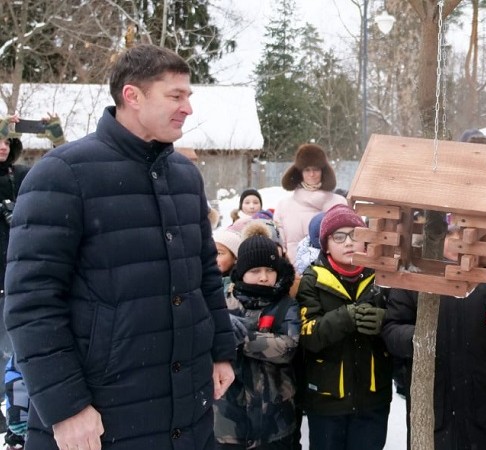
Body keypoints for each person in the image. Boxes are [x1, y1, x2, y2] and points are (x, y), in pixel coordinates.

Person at [4, 44, 235, 450]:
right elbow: (31, 302)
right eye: (176, 96)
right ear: (133, 96)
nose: (188, 108)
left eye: (189, 96)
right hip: (100, 412)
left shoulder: (184, 176)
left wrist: (220, 350)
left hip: (186, 408)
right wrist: (66, 407)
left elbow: (204, 275)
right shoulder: (61, 174)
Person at [383, 258, 486, 449]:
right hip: (432, 402)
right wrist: (417, 337)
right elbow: (392, 328)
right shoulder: (412, 276)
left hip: (481, 402)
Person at [295, 204, 392, 450]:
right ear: (325, 244)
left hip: (373, 396)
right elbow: (307, 335)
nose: (349, 242)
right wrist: (344, 318)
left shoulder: (382, 278)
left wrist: (384, 321)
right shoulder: (312, 280)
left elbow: (400, 322)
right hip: (326, 399)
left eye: (356, 235)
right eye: (339, 236)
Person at [0, 112, 65, 439]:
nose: (2, 146)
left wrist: (55, 137)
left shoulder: (23, 176)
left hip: (19, 280)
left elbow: (62, 173)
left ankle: (17, 420)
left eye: (6, 141)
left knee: (19, 355)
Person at [214, 221, 300, 450]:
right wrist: (222, 331)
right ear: (241, 272)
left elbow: (288, 346)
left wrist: (244, 339)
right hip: (229, 420)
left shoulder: (285, 305)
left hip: (276, 419)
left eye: (269, 270)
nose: (264, 277)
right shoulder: (223, 304)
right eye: (255, 271)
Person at [273, 143, 347, 263]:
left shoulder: (339, 203)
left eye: (316, 169)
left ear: (323, 172)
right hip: (294, 274)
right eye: (307, 170)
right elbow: (279, 243)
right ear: (299, 173)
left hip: (330, 275)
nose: (311, 174)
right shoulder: (283, 205)